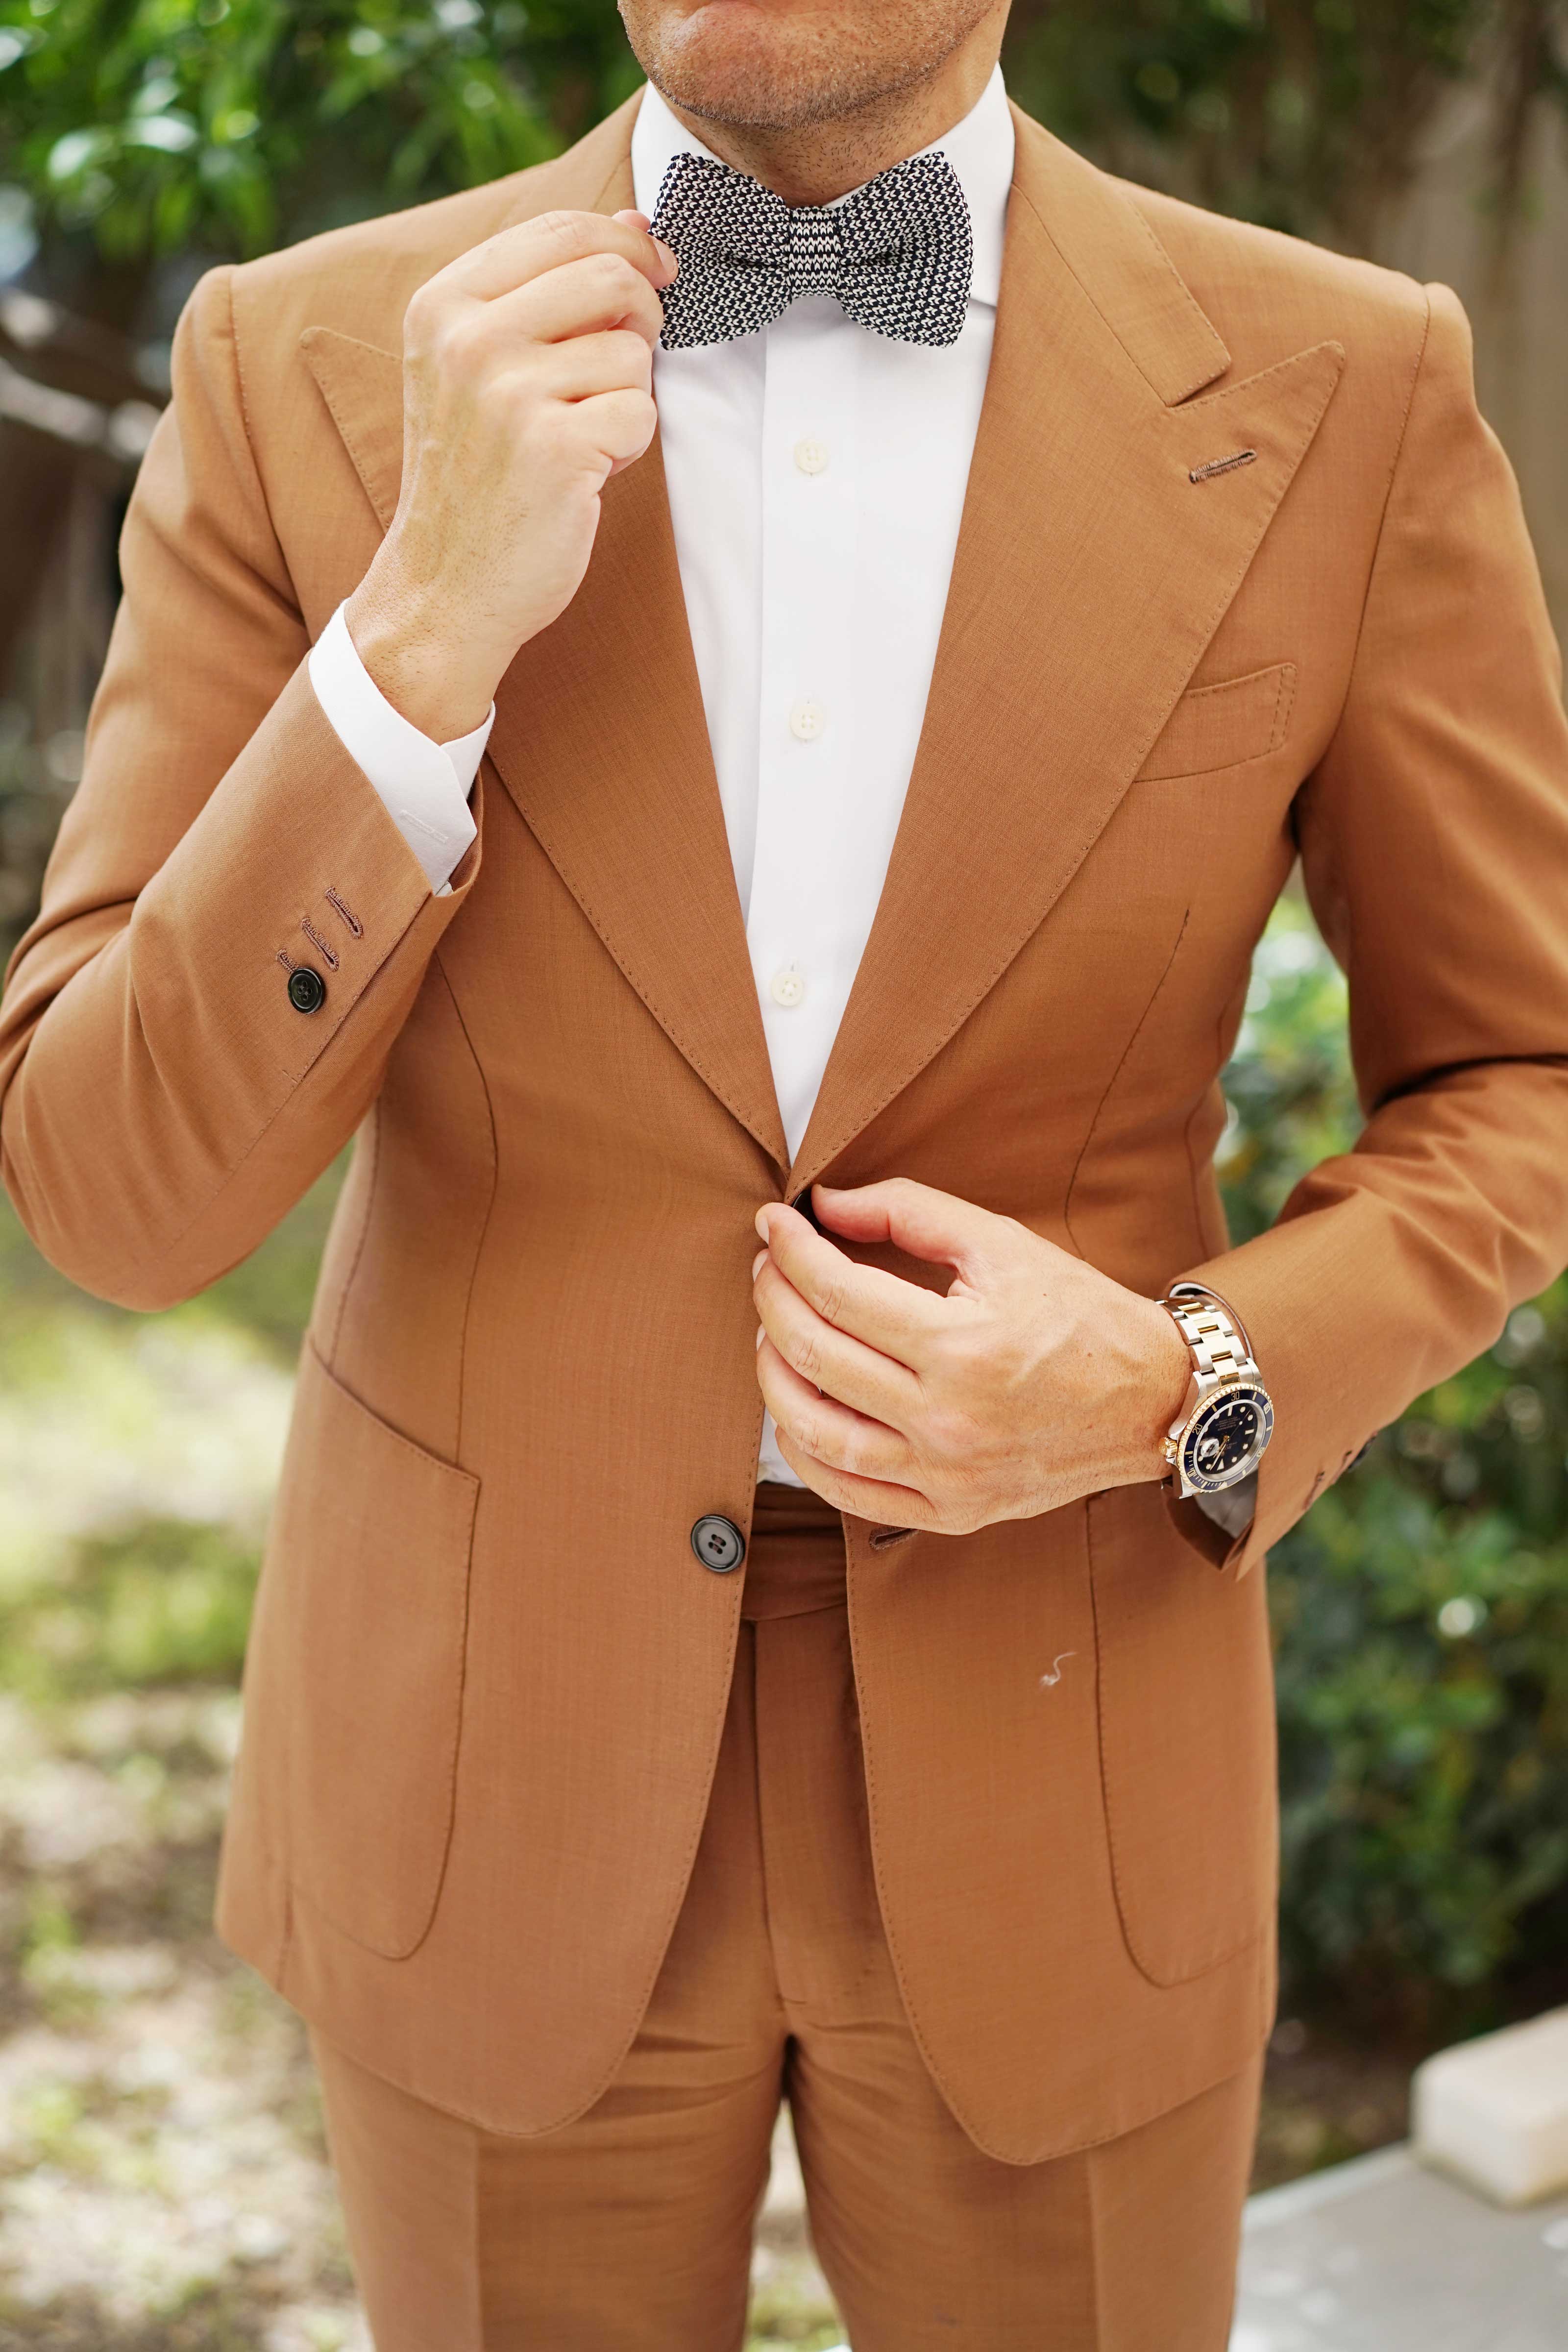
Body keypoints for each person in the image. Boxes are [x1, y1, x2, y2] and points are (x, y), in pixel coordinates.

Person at [3, 0, 1568, 2341]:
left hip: (1073, 1744)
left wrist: (1181, 1371)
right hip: (482, 1766)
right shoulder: (301, 362)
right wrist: (418, 630)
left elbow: (1519, 1074)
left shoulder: (1339, 384)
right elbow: (114, 1194)